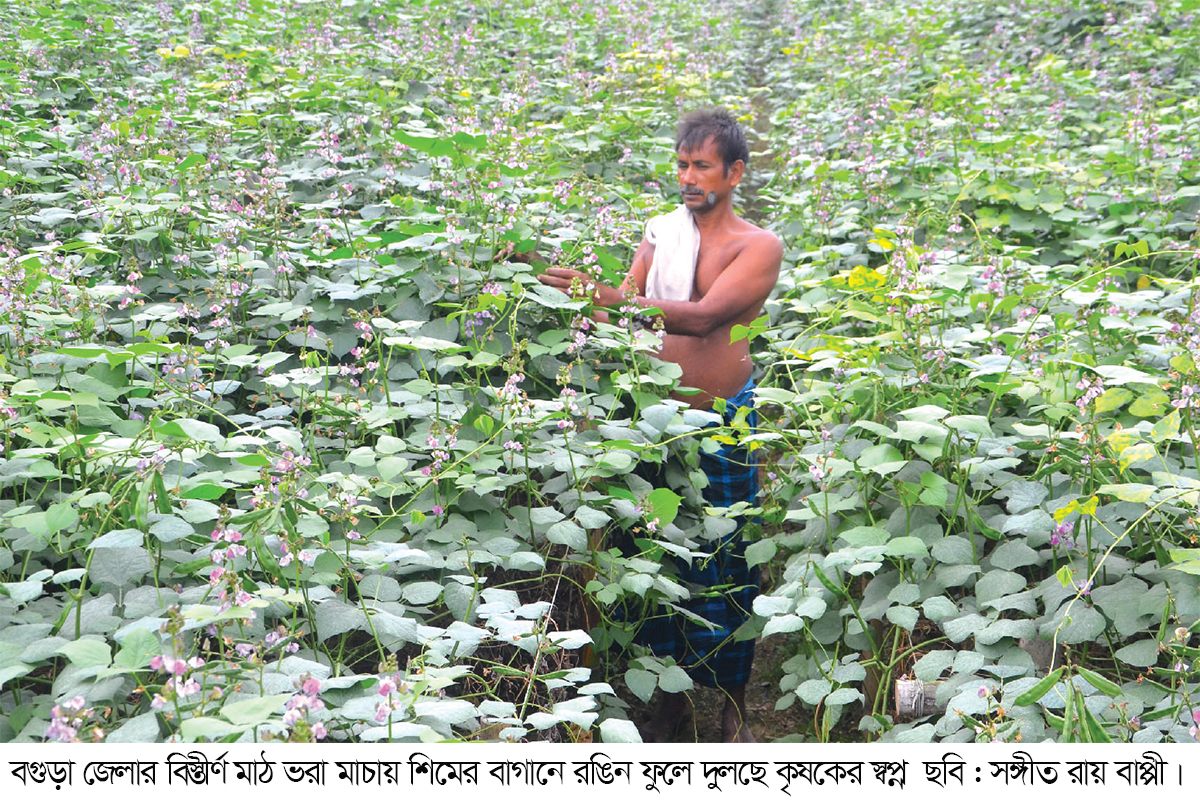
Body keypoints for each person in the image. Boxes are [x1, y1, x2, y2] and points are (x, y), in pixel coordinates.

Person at [539, 108, 782, 743]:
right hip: (653, 416)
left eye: (702, 166)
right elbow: (627, 306)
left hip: (723, 415)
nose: (688, 177)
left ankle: (731, 703)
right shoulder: (661, 233)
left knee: (724, 558)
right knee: (653, 553)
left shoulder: (757, 246)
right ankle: (669, 698)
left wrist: (613, 299)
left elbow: (702, 320)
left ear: (734, 173)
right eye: (681, 164)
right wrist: (578, 299)